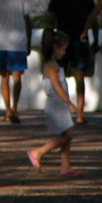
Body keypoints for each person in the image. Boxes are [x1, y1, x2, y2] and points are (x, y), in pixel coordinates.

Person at [44, 0, 96, 123]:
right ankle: (80, 114)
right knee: (79, 77)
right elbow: (94, 20)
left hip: (61, 42)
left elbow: (50, 23)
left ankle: (62, 111)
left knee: (59, 78)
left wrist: (49, 43)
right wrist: (96, 41)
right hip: (80, 41)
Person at [26, 29, 80, 177]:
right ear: (55, 46)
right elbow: (57, 87)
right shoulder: (51, 66)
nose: (64, 53)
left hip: (59, 104)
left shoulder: (53, 64)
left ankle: (65, 167)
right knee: (68, 136)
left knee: (67, 134)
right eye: (63, 49)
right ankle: (38, 152)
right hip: (57, 105)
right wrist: (69, 103)